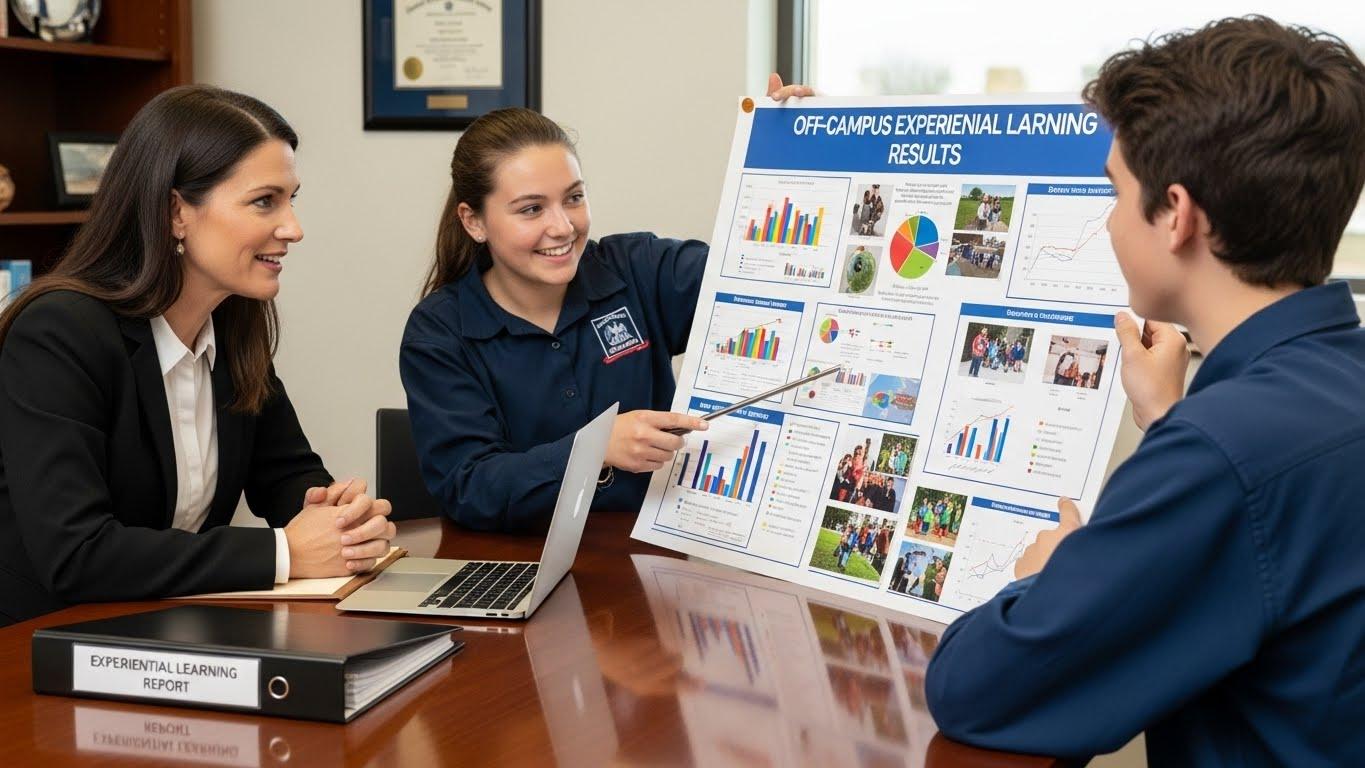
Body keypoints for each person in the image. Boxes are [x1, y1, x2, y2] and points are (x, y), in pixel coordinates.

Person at [925, 17, 1365, 765]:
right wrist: (1171, 414)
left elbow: (975, 690)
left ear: (1176, 214)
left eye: (1113, 191)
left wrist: (1046, 577)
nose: (1104, 220)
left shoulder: (1219, 454)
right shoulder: (1321, 390)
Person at [0, 86, 396, 626]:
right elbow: (77, 554)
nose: (293, 229)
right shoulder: (59, 332)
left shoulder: (231, 323)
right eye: (264, 201)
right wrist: (285, 552)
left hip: (169, 634)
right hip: (41, 648)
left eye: (291, 199)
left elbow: (286, 474)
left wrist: (341, 524)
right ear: (175, 212)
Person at [400, 76, 812, 531]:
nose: (563, 227)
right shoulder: (439, 332)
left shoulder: (640, 267)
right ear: (473, 221)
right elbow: (469, 486)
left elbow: (766, 276)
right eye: (531, 209)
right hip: (519, 567)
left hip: (655, 557)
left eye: (573, 198)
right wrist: (593, 449)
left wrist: (800, 149)